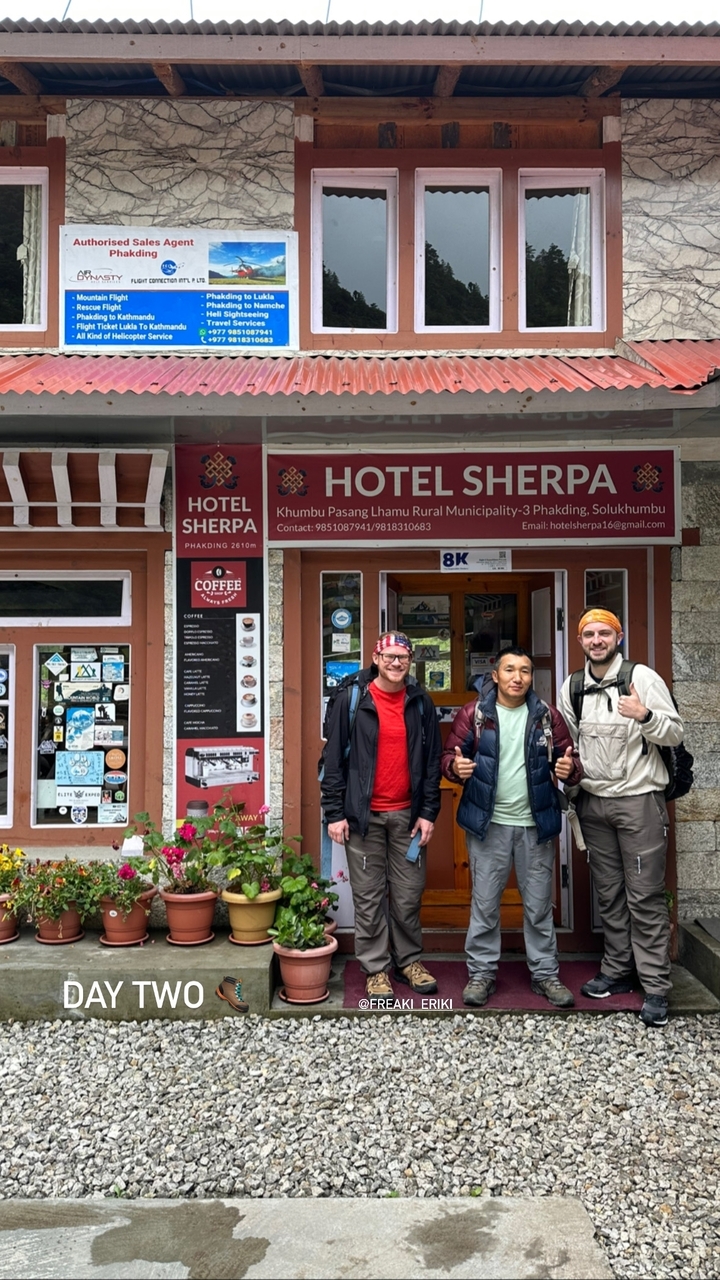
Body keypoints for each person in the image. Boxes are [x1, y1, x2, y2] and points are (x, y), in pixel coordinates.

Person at [558, 609, 684, 1029]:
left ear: (619, 636)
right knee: (609, 895)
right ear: (580, 640)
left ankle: (655, 987)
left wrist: (644, 716)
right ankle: (616, 969)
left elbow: (675, 733)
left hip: (638, 802)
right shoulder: (572, 686)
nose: (597, 640)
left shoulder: (643, 678)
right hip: (594, 804)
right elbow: (570, 743)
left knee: (644, 896)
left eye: (604, 633)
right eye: (589, 634)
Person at [442, 647, 582, 1009]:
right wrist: (455, 770)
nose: (517, 677)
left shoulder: (546, 716)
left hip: (535, 825)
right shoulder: (474, 714)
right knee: (486, 904)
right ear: (495, 676)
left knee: (537, 906)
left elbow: (570, 760)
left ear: (531, 677)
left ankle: (545, 974)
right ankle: (482, 974)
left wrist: (569, 771)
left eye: (524, 670)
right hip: (489, 825)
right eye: (509, 669)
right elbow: (448, 756)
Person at [321, 632, 442, 1000]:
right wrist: (335, 812)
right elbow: (332, 762)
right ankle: (376, 968)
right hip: (363, 817)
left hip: (408, 817)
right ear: (375, 657)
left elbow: (433, 762)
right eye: (388, 656)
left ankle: (408, 962)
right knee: (369, 896)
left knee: (408, 895)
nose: (395, 663)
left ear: (410, 661)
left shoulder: (421, 702)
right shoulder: (352, 699)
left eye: (402, 658)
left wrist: (428, 812)